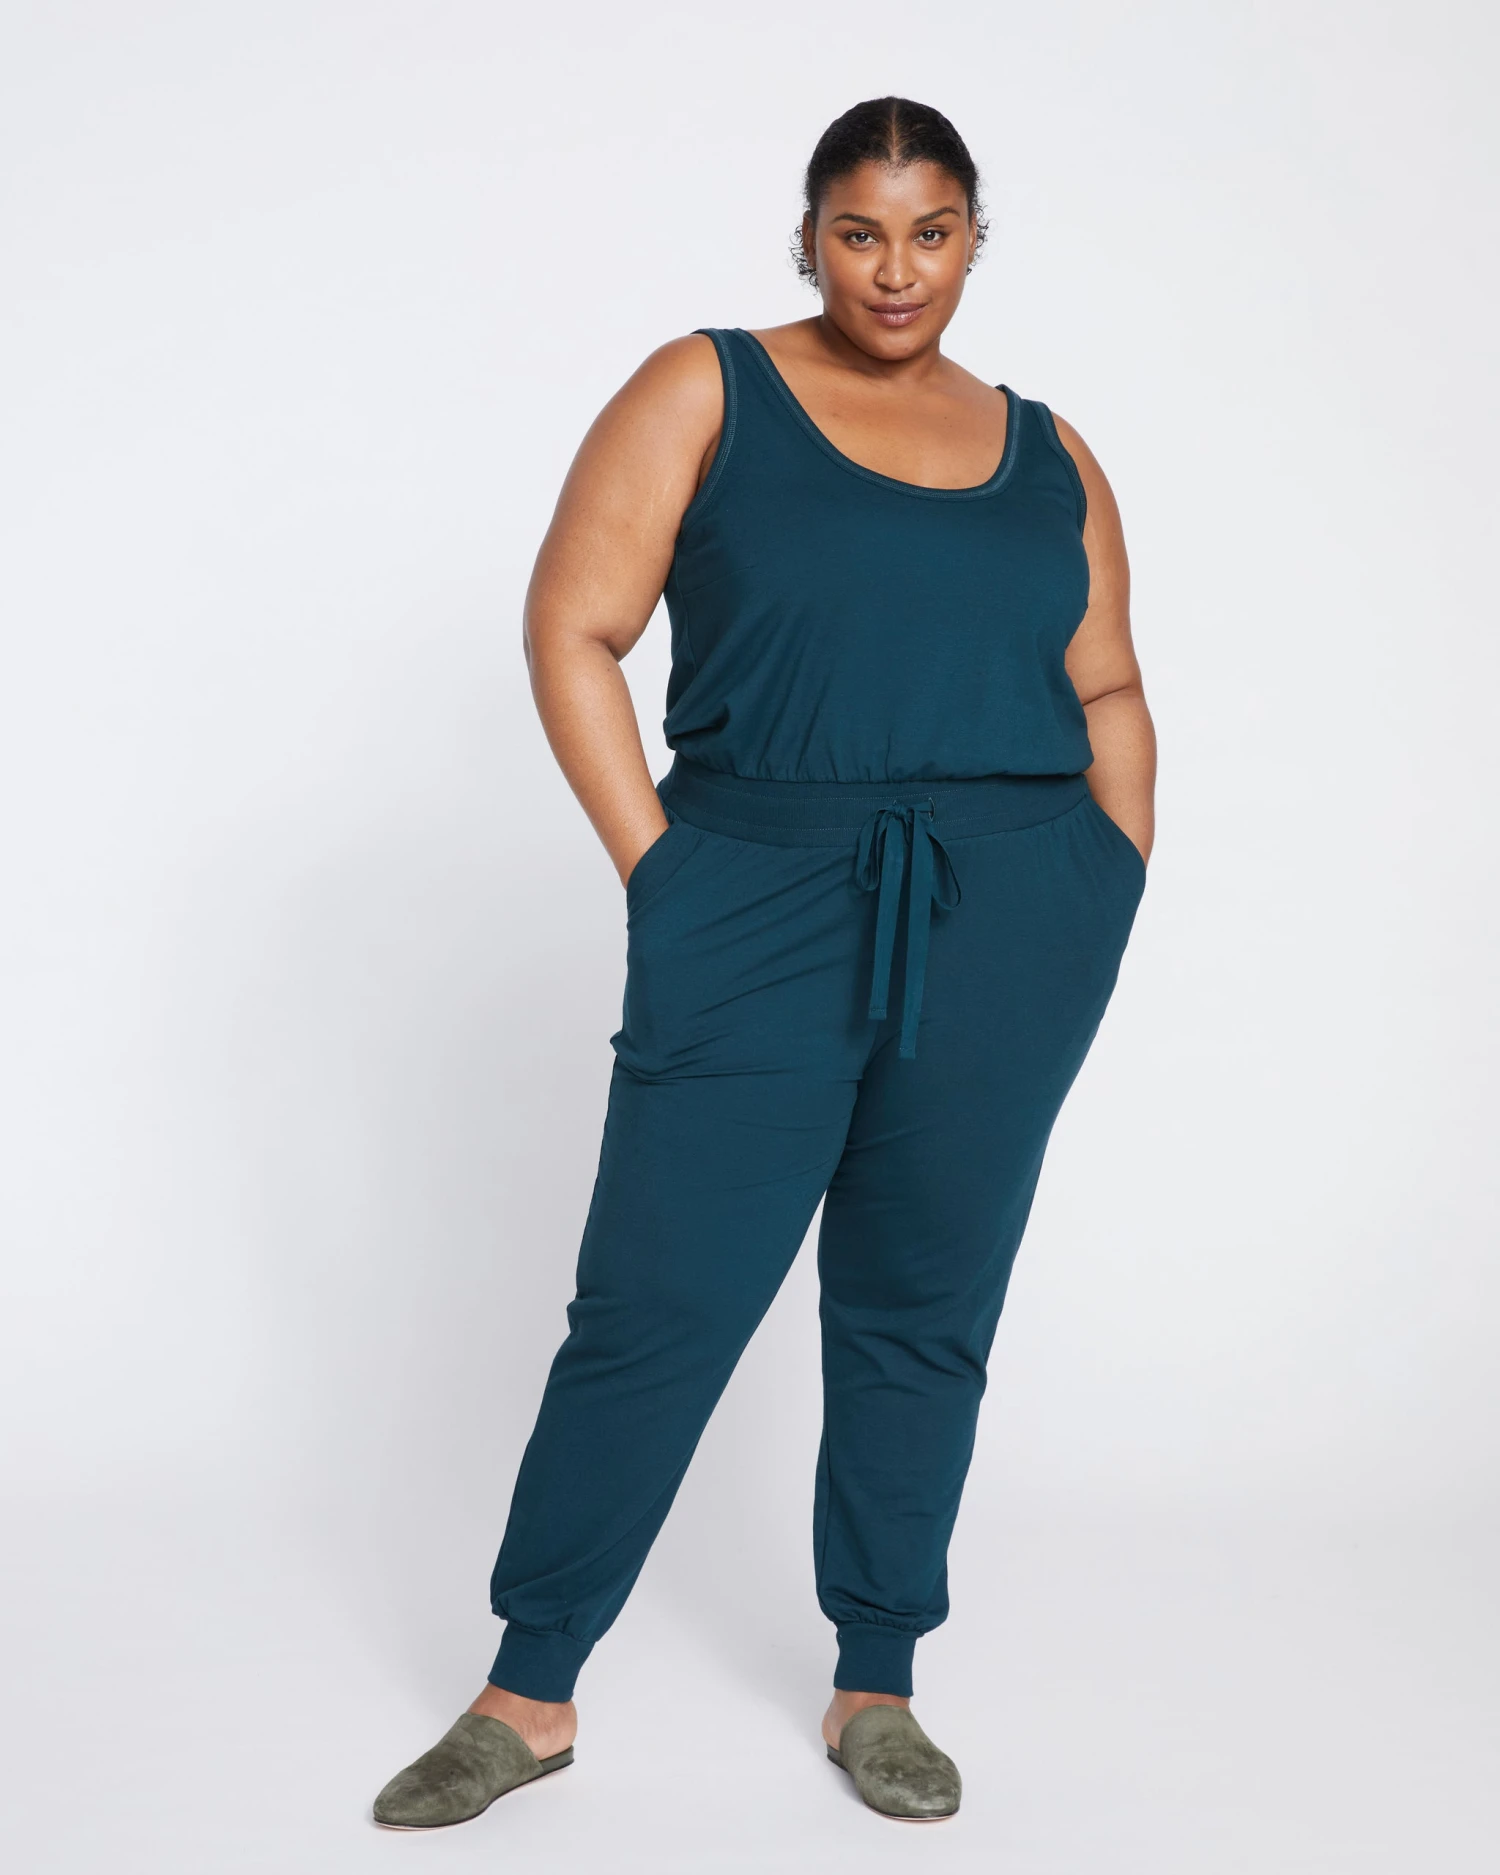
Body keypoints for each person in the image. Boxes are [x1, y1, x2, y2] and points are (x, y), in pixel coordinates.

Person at [372, 94, 1154, 1830]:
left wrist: (1104, 878)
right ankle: (529, 1687)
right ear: (808, 239)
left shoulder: (1049, 449)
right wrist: (669, 876)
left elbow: (1107, 679)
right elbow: (573, 625)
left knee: (923, 1307)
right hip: (760, 892)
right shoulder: (706, 388)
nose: (896, 269)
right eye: (860, 232)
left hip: (1014, 913)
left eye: (932, 232)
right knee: (655, 1304)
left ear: (975, 242)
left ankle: (879, 1675)